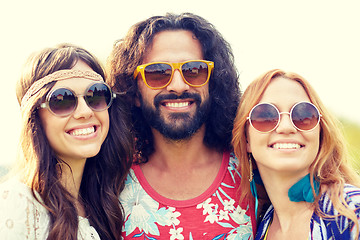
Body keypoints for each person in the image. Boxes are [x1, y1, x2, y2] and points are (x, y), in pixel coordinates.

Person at [107, 12, 255, 239]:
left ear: (213, 84)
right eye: (158, 73)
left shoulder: (252, 172)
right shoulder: (109, 181)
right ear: (134, 92)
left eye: (194, 70)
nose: (178, 85)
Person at [0, 44, 132, 240]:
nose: (85, 112)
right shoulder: (18, 202)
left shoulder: (106, 204)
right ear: (35, 116)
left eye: (96, 95)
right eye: (62, 100)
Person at [232, 69, 360, 239]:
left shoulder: (352, 209)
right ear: (246, 139)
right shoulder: (257, 228)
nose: (286, 127)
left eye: (303, 114)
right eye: (265, 116)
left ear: (320, 134)